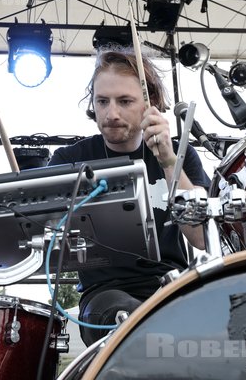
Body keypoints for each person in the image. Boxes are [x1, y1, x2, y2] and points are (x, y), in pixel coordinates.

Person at [48, 47, 211, 346]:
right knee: (131, 324)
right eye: (102, 101)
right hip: (103, 295)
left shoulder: (180, 156)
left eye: (125, 101)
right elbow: (45, 238)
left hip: (171, 287)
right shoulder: (69, 160)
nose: (111, 113)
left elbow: (201, 238)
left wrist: (167, 159)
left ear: (151, 105)